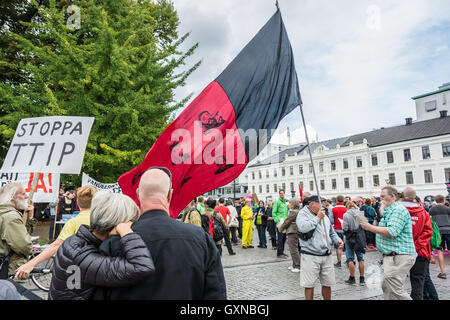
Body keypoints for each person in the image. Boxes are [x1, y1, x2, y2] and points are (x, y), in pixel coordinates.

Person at [98, 168, 226, 299]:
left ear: (137, 194)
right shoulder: (200, 238)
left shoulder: (115, 240)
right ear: (170, 195)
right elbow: (216, 294)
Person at [48, 191, 155, 300]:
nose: (133, 227)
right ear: (117, 223)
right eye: (131, 223)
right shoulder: (81, 256)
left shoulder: (78, 242)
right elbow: (142, 267)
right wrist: (127, 233)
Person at [14, 186, 98, 280]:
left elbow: (56, 245)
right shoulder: (104, 220)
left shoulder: (73, 222)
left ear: (77, 202)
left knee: (71, 292)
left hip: (77, 270)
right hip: (100, 268)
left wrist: (31, 264)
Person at [360, 186, 416, 300]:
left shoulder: (398, 210)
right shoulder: (389, 210)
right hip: (392, 255)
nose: (381, 199)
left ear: (393, 196)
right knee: (387, 287)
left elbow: (392, 232)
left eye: (383, 196)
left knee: (396, 289)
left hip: (400, 255)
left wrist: (370, 227)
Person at [296, 195, 343, 300]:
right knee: (309, 284)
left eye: (324, 202)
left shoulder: (324, 215)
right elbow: (303, 228)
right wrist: (317, 218)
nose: (324, 205)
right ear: (312, 204)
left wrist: (337, 240)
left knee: (328, 283)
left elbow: (331, 232)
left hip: (326, 254)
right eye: (321, 202)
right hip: (310, 255)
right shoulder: (303, 214)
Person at [400, 187, 433, 300]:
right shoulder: (423, 213)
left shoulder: (398, 211)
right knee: (418, 284)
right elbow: (428, 232)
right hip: (421, 253)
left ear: (403, 197)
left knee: (397, 284)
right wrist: (416, 247)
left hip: (401, 253)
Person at [0, 183, 35, 279]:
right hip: (9, 269)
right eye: (23, 194)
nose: (27, 196)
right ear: (13, 197)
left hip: (5, 267)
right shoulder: (11, 217)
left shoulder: (4, 213)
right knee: (11, 293)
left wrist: (30, 218)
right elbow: (24, 246)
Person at [342, 201, 366, 285]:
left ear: (347, 207)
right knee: (360, 257)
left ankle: (352, 278)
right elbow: (364, 224)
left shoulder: (346, 215)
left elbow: (345, 228)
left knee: (350, 258)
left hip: (350, 237)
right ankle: (362, 278)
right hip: (359, 237)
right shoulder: (359, 213)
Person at [429, 194, 450, 280]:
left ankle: (443, 272)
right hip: (449, 231)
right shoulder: (448, 209)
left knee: (440, 251)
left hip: (438, 233)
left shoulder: (431, 209)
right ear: (443, 200)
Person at [279, 199, 301, 273]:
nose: (289, 204)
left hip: (293, 231)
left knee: (293, 249)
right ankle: (295, 264)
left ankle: (298, 266)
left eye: (290, 203)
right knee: (294, 248)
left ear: (293, 204)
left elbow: (287, 221)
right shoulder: (297, 211)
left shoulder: (294, 212)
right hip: (294, 231)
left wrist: (281, 228)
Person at [273, 189, 289, 259]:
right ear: (279, 194)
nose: (281, 194)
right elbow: (274, 212)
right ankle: (279, 253)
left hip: (285, 221)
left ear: (284, 194)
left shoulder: (285, 202)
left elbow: (286, 211)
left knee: (284, 238)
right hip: (280, 221)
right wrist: (277, 220)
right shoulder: (277, 201)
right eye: (280, 193)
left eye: (282, 193)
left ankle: (282, 252)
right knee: (280, 237)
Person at [331, 195, 346, 267]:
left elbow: (331, 220)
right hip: (346, 229)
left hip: (337, 229)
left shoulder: (333, 209)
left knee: (338, 247)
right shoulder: (346, 208)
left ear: (336, 200)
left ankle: (339, 262)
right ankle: (349, 260)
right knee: (347, 246)